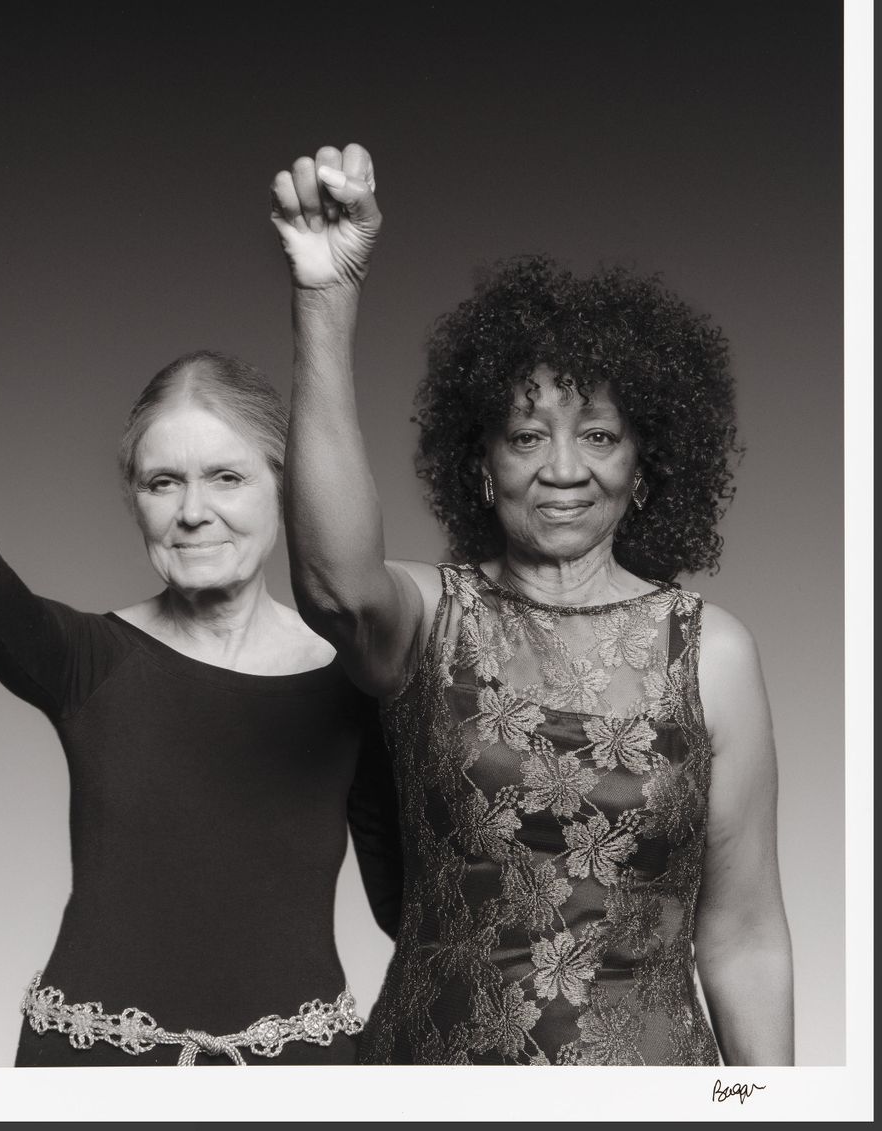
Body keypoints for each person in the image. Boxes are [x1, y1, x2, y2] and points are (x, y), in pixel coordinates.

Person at [269, 144, 794, 1065]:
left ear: (644, 464)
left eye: (598, 434)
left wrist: (764, 1113)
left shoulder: (713, 652)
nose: (562, 467)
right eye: (524, 435)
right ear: (480, 465)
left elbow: (745, 938)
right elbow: (334, 587)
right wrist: (326, 296)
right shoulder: (431, 617)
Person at [0, 267, 401, 1066]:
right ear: (136, 500)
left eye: (227, 476)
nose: (193, 511)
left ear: (285, 487)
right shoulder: (91, 661)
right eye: (165, 482)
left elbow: (414, 905)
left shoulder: (358, 676)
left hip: (302, 1075)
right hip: (89, 1071)